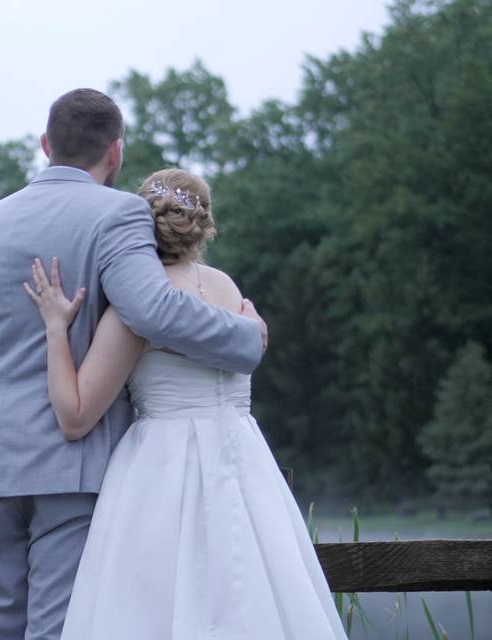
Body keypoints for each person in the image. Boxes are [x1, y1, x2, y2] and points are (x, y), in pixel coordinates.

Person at [0, 88, 267, 640]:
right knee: (55, 628)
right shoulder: (120, 212)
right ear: (114, 153)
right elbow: (154, 309)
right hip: (70, 461)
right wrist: (247, 337)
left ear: (45, 145)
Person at [23, 168, 347, 639]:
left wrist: (56, 328)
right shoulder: (228, 290)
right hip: (244, 465)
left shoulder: (137, 308)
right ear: (204, 224)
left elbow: (74, 417)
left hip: (160, 475)